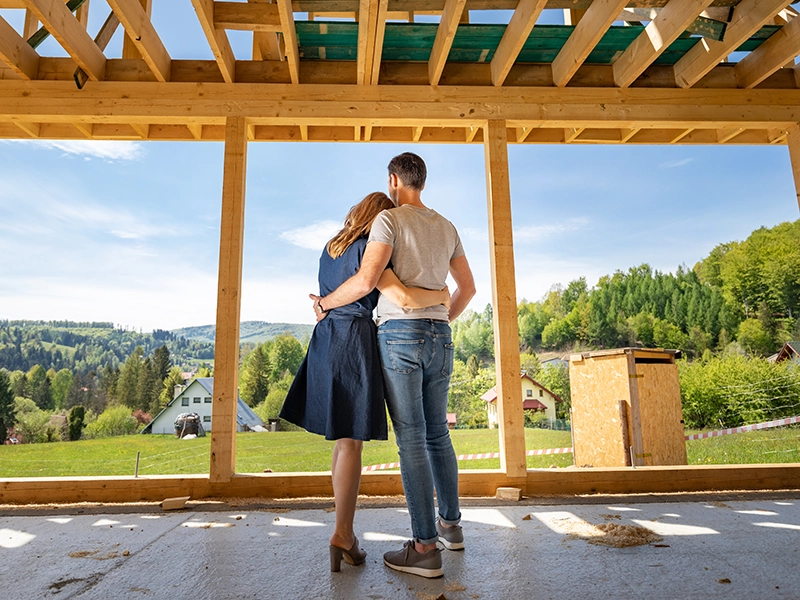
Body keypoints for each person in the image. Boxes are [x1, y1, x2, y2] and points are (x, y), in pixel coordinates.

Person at [312, 153, 476, 579]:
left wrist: (324, 304)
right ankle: (451, 528)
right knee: (438, 433)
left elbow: (371, 283)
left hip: (398, 335)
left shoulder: (388, 223)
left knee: (412, 440)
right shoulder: (447, 226)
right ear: (423, 181)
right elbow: (469, 288)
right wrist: (440, 313)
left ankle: (424, 548)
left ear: (393, 181)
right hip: (441, 336)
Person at [279, 191, 450, 573]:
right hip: (354, 340)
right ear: (380, 222)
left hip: (325, 339)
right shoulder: (369, 249)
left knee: (342, 443)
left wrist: (323, 305)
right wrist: (440, 294)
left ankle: (347, 535)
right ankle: (342, 533)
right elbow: (395, 294)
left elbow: (331, 293)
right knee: (351, 444)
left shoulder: (331, 247)